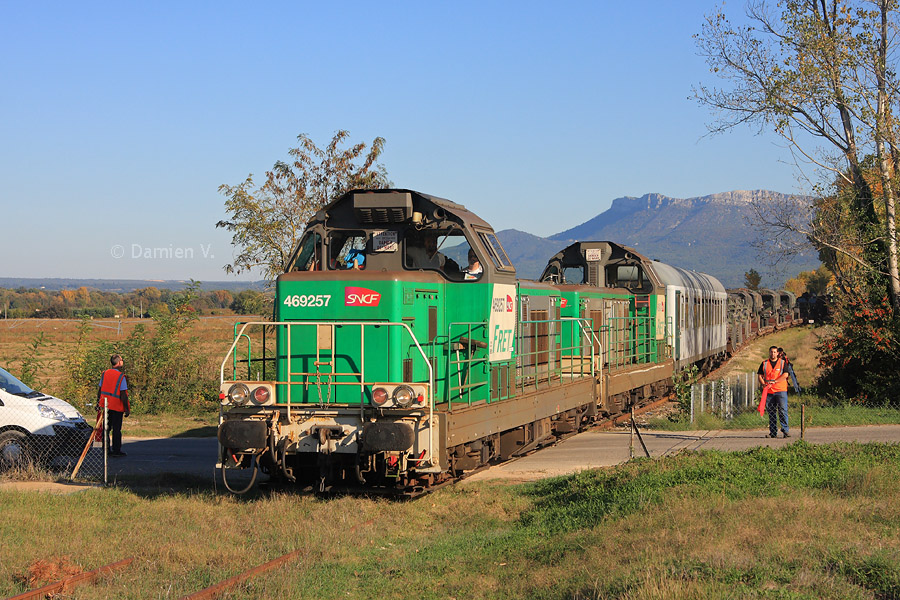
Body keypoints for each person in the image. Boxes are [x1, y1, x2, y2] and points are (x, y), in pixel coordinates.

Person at [98, 354, 130, 457]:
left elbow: (100, 389)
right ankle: (117, 450)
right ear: (119, 362)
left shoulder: (105, 374)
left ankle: (106, 450)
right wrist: (126, 408)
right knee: (116, 430)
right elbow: (123, 394)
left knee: (106, 429)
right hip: (117, 406)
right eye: (122, 360)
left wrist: (98, 402)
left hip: (106, 405)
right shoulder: (121, 376)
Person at [757, 345, 789, 438]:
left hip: (781, 390)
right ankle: (773, 432)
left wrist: (775, 381)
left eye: (775, 352)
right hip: (769, 391)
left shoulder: (782, 363)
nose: (773, 353)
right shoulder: (764, 363)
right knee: (771, 412)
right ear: (769, 352)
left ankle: (785, 430)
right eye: (771, 352)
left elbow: (785, 374)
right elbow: (760, 375)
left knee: (783, 410)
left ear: (778, 353)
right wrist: (763, 384)